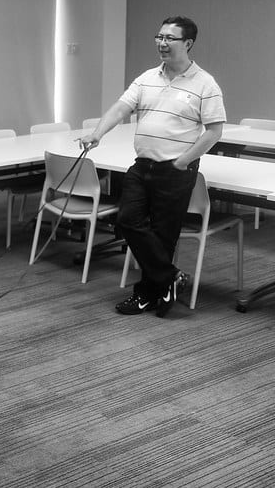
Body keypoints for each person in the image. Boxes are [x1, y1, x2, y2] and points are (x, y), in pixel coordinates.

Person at [80, 16, 225, 317]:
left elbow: (214, 132)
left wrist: (182, 162)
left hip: (175, 169)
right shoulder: (147, 77)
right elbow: (121, 108)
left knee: (162, 235)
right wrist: (97, 133)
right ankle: (170, 277)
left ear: (187, 43)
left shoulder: (205, 84)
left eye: (169, 38)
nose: (161, 43)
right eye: (159, 37)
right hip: (142, 165)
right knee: (127, 221)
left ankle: (146, 294)